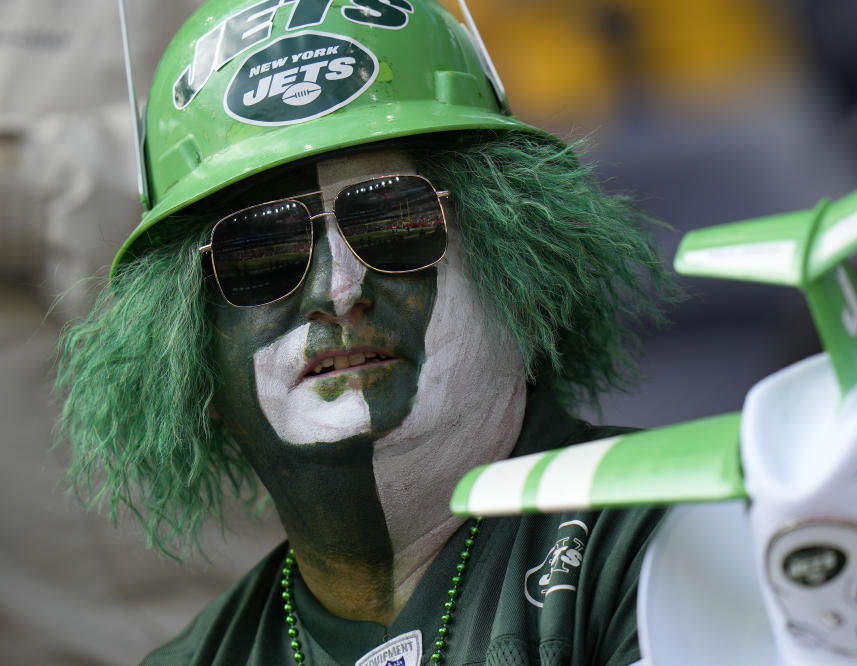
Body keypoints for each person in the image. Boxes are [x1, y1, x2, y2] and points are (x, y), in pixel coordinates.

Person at [56, 1, 676, 663]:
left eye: (395, 223)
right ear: (192, 362)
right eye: (261, 254)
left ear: (523, 275)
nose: (339, 289)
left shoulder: (675, 537)